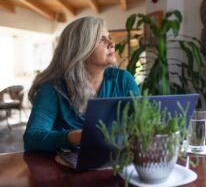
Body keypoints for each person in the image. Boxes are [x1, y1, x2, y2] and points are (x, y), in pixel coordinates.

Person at [23, 16, 140, 152]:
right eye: (101, 39)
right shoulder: (52, 88)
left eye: (109, 37)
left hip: (116, 162)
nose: (111, 43)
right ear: (80, 49)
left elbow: (141, 124)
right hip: (65, 169)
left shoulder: (123, 80)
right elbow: (32, 138)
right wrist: (77, 137)